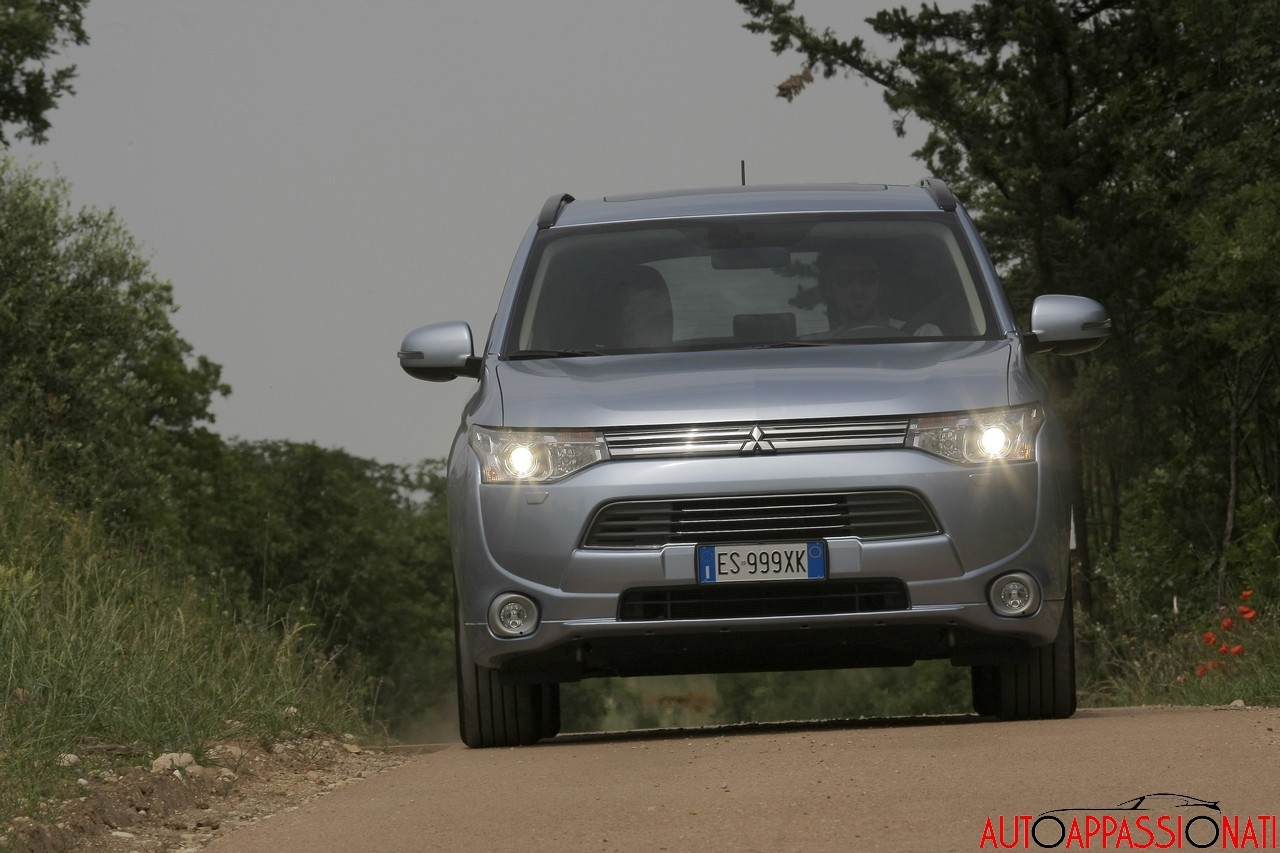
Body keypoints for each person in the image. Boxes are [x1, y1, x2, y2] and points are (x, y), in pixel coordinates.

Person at [817, 251, 941, 336]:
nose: (858, 288)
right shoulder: (814, 347)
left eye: (868, 277)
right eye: (845, 279)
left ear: (880, 284)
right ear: (829, 288)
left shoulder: (923, 335)